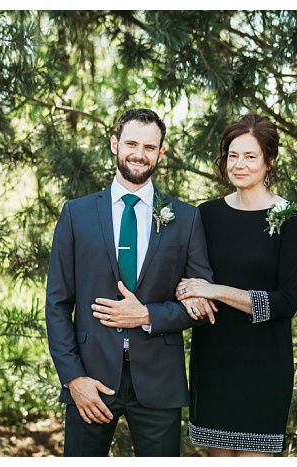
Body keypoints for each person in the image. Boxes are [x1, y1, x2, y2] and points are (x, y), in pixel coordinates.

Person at [45, 108, 217, 456]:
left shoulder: (185, 218)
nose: (140, 154)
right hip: (90, 379)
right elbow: (57, 303)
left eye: (150, 147)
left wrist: (149, 316)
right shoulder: (76, 215)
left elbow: (201, 304)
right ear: (115, 144)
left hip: (158, 380)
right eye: (132, 144)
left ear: (161, 153)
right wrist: (73, 378)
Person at [176, 113, 297, 456]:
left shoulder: (291, 219)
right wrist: (187, 292)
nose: (239, 165)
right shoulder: (205, 215)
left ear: (269, 162)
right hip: (213, 360)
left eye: (250, 156)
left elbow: (286, 302)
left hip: (264, 366)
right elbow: (186, 279)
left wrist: (214, 290)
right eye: (233, 155)